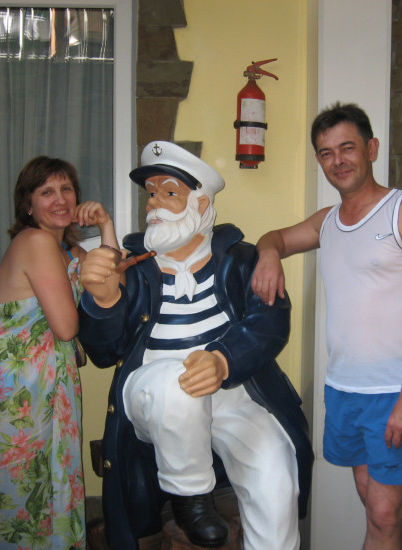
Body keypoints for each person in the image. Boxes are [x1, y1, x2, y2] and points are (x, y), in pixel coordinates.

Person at [77, 141, 313, 550]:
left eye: (169, 192)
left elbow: (270, 323)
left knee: (273, 473)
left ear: (201, 204)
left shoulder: (241, 260)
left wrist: (224, 360)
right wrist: (104, 301)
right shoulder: (132, 269)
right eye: (151, 193)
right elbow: (104, 352)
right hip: (153, 395)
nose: (154, 204)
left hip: (233, 392)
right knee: (176, 384)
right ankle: (191, 497)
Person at [252, 103, 402, 550]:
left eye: (347, 148)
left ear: (371, 149)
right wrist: (268, 255)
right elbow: (275, 238)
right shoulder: (327, 223)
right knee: (374, 502)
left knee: (382, 513)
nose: (337, 160)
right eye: (326, 153)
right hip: (344, 388)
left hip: (394, 390)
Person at [0, 156, 120, 550]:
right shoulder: (35, 242)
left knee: (47, 486)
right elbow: (67, 327)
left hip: (49, 377)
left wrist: (106, 226)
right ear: (28, 205)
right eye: (46, 191)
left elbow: (113, 285)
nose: (60, 199)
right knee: (18, 492)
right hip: (18, 382)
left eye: (66, 189)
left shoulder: (68, 250)